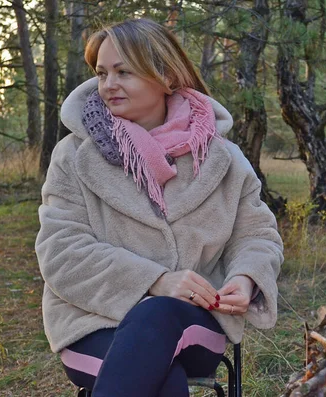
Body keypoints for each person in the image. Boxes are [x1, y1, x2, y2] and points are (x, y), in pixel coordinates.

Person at [35, 18, 283, 397]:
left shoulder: (222, 157)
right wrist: (155, 281)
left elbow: (256, 234)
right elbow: (61, 251)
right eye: (102, 73)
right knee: (163, 380)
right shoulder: (73, 156)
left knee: (157, 317)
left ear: (166, 77)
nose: (108, 85)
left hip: (194, 319)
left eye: (124, 72)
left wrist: (247, 277)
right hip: (93, 321)